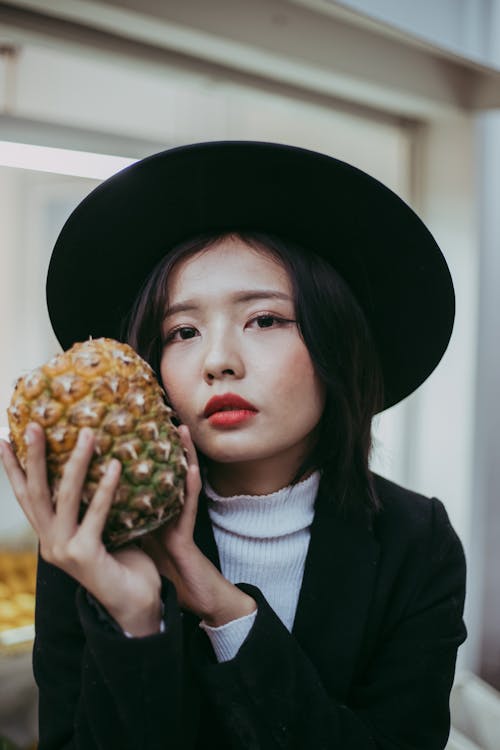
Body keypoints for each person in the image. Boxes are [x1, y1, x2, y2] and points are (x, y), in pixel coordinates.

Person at [0, 141, 467, 749]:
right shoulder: (94, 541)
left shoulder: (416, 540)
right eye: (183, 331)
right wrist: (137, 619)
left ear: (337, 344)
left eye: (265, 320)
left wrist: (224, 608)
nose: (218, 361)